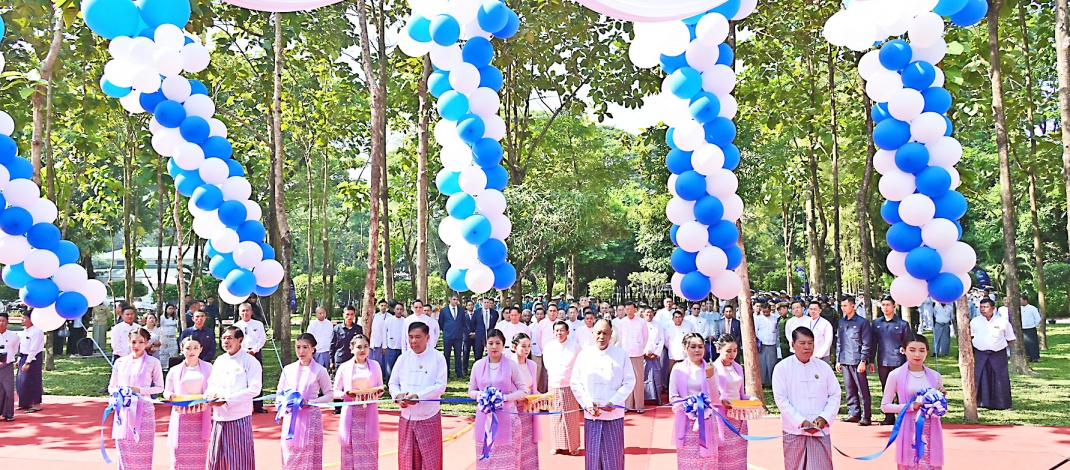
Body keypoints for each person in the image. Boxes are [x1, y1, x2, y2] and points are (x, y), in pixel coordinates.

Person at [570, 319, 636, 470]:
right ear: (592, 334)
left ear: (611, 334)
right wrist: (586, 403)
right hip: (591, 414)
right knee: (593, 457)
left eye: (605, 333)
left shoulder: (621, 354)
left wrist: (613, 402)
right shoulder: (584, 355)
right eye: (598, 333)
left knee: (613, 457)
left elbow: (629, 382)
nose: (601, 336)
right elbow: (575, 383)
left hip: (613, 415)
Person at [772, 327, 840, 470]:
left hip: (819, 431)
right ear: (793, 345)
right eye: (802, 343)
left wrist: (824, 418)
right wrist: (800, 422)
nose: (807, 347)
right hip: (793, 430)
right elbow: (781, 400)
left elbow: (834, 394)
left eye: (810, 343)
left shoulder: (824, 367)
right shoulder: (782, 368)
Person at [880, 333, 946, 470]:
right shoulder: (895, 375)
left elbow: (940, 408)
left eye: (922, 350)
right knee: (909, 464)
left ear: (927, 352)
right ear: (903, 351)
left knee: (931, 465)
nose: (917, 354)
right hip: (908, 429)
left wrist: (940, 401)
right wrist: (910, 406)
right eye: (912, 350)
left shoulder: (935, 376)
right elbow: (885, 406)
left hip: (931, 429)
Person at [391, 322, 448, 470]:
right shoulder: (403, 358)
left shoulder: (437, 358)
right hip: (407, 417)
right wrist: (398, 397)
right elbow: (393, 383)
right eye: (410, 337)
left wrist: (419, 396)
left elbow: (440, 386)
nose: (413, 341)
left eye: (417, 337)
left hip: (429, 416)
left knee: (431, 461)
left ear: (427, 337)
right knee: (406, 460)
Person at [467, 329, 528, 468]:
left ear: (503, 345)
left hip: (508, 418)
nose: (494, 347)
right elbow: (471, 390)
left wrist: (504, 398)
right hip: (484, 419)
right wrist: (481, 396)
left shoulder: (511, 365)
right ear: (485, 345)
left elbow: (523, 390)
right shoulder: (477, 366)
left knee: (508, 460)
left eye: (498, 343)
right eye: (490, 343)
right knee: (486, 460)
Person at [204, 326, 263, 469]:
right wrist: (210, 395)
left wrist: (228, 399)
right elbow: (211, 384)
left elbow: (255, 389)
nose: (226, 341)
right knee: (217, 458)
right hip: (219, 417)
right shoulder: (219, 360)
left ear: (240, 340)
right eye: (223, 338)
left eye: (229, 338)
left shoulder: (250, 361)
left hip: (239, 417)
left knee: (239, 459)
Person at [108, 328, 165, 468]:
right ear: (128, 342)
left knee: (142, 449)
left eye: (141, 342)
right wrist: (120, 392)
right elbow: (111, 387)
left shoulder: (153, 362)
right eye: (133, 342)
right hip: (123, 410)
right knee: (124, 447)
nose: (137, 346)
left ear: (147, 343)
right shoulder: (120, 362)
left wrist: (139, 391)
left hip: (144, 410)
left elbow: (160, 388)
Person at [276, 333, 334, 469]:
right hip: (291, 419)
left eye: (305, 347)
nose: (301, 351)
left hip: (311, 420)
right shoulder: (288, 369)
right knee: (289, 455)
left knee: (308, 456)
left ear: (313, 348)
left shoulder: (320, 371)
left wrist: (311, 402)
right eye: (298, 347)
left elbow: (330, 395)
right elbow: (279, 393)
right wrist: (284, 403)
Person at [669, 333, 722, 469]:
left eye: (700, 347)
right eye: (693, 347)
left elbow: (716, 399)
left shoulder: (711, 368)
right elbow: (673, 397)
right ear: (685, 348)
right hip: (686, 423)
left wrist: (710, 378)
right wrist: (689, 406)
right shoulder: (678, 369)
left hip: (707, 420)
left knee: (708, 461)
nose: (697, 350)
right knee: (689, 462)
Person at [334, 334, 385, 470]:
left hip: (369, 413)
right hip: (351, 414)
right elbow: (335, 392)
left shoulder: (375, 366)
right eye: (359, 347)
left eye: (365, 347)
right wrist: (346, 394)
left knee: (369, 450)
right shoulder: (344, 367)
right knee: (349, 450)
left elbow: (381, 387)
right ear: (351, 349)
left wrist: (377, 392)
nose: (362, 350)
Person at [163, 336, 214, 470]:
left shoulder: (209, 368)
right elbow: (166, 391)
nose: (192, 351)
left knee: (200, 454)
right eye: (188, 348)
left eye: (196, 348)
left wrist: (208, 396)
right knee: (179, 454)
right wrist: (171, 396)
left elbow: (213, 387)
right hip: (182, 416)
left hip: (201, 415)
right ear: (182, 349)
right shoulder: (175, 370)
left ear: (201, 349)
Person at [713, 334, 755, 470]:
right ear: (718, 349)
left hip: (738, 416)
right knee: (724, 452)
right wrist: (721, 401)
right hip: (722, 416)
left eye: (735, 350)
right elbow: (710, 395)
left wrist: (751, 399)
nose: (732, 354)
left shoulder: (738, 368)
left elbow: (741, 394)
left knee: (739, 454)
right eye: (728, 351)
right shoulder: (712, 369)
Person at [543, 320, 582, 455]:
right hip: (554, 384)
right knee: (555, 417)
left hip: (570, 385)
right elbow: (547, 364)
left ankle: (573, 446)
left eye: (562, 330)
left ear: (568, 332)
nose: (559, 333)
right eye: (557, 330)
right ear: (553, 332)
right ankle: (556, 445)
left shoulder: (575, 347)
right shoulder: (549, 347)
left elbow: (579, 366)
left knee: (571, 416)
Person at [971, 298, 1015, 410]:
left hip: (998, 353)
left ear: (993, 308)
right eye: (981, 307)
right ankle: (981, 402)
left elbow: (1010, 338)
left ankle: (1002, 403)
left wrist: (998, 345)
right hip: (980, 353)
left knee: (1000, 377)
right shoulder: (975, 321)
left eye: (985, 307)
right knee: (980, 376)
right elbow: (970, 337)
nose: (983, 309)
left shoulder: (1002, 321)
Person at [873, 296, 911, 425]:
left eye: (888, 305)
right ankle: (889, 417)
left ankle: (903, 416)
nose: (885, 307)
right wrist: (871, 360)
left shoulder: (902, 324)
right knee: (886, 389)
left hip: (898, 361)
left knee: (901, 390)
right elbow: (873, 343)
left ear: (894, 306)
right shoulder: (877, 323)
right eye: (883, 305)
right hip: (883, 360)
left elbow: (909, 343)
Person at [836, 295, 873, 426]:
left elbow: (867, 343)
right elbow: (839, 342)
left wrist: (864, 360)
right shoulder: (841, 322)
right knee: (849, 388)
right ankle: (854, 413)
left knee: (862, 389)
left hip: (857, 360)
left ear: (853, 305)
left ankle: (866, 415)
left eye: (845, 305)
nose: (843, 308)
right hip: (845, 359)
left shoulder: (862, 322)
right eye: (841, 306)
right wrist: (838, 359)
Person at [511, 332, 541, 469]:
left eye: (529, 346)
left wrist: (541, 397)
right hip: (513, 410)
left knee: (529, 444)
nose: (527, 350)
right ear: (514, 347)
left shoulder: (532, 365)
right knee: (515, 444)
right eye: (523, 346)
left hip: (529, 411)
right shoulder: (509, 365)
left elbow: (533, 388)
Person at [233, 302, 268, 414]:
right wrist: (243, 351)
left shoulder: (258, 324)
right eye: (242, 311)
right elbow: (235, 341)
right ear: (239, 313)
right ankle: (242, 405)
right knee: (241, 378)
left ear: (251, 312)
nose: (245, 313)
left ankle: (258, 406)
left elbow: (262, 339)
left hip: (255, 353)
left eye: (247, 310)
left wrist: (254, 350)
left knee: (256, 378)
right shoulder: (236, 326)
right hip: (241, 354)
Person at [616, 301, 648, 413]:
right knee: (626, 380)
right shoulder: (622, 322)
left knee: (639, 380)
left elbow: (645, 337)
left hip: (638, 353)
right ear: (625, 310)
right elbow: (620, 337)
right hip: (626, 354)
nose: (629, 311)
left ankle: (640, 406)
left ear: (635, 309)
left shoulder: (641, 322)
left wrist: (640, 347)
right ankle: (628, 405)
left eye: (631, 309)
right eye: (627, 309)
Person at [16, 313, 44, 413]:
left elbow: (34, 349)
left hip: (33, 358)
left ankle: (36, 404)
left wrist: (28, 362)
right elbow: (22, 346)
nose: (22, 320)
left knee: (33, 380)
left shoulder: (37, 332)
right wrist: (19, 359)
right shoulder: (25, 331)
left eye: (24, 318)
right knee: (21, 381)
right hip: (24, 356)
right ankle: (25, 402)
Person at [439, 295, 468, 378]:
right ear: (450, 299)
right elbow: (441, 322)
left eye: (457, 299)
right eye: (454, 299)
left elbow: (463, 323)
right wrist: (446, 331)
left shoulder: (461, 310)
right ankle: (446, 372)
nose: (456, 301)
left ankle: (459, 372)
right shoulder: (444, 310)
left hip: (458, 336)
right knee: (446, 355)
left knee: (458, 355)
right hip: (448, 336)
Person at [642, 306, 666, 405]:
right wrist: (644, 352)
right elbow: (638, 340)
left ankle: (658, 399)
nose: (649, 314)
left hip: (655, 355)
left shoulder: (658, 325)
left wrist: (656, 353)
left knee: (656, 377)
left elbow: (662, 340)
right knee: (644, 377)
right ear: (643, 314)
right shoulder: (641, 325)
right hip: (643, 355)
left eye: (651, 312)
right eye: (647, 312)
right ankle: (643, 399)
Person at [753, 302, 779, 386]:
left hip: (772, 343)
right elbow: (755, 331)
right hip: (762, 343)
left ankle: (772, 381)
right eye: (764, 312)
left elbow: (776, 331)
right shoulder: (758, 319)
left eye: (767, 312)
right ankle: (762, 381)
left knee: (772, 363)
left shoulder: (775, 318)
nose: (765, 313)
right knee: (762, 363)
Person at [382, 302, 406, 383]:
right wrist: (384, 346)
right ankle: (389, 383)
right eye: (397, 309)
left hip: (402, 348)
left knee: (401, 367)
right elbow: (384, 333)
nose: (399, 311)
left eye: (400, 309)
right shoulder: (388, 320)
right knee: (390, 367)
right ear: (394, 310)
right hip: (391, 347)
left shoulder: (405, 321)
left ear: (403, 311)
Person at [0, 312, 18, 421]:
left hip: (7, 366)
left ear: (7, 322)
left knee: (8, 390)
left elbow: (15, 350)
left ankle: (9, 414)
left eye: (3, 321)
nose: (1, 323)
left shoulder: (13, 336)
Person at [1020, 295, 1042, 362]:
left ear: (1025, 300)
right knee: (1025, 343)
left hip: (1030, 328)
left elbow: (1038, 318)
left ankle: (1035, 357)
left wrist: (1033, 325)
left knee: (1033, 343)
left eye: (1021, 300)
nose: (1020, 302)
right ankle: (1028, 356)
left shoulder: (1032, 308)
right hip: (1022, 328)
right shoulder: (1019, 308)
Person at [159, 304, 180, 370]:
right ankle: (164, 367)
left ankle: (173, 366)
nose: (171, 310)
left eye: (172, 309)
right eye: (169, 308)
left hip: (172, 337)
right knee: (164, 352)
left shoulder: (174, 318)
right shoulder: (162, 317)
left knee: (173, 351)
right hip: (164, 337)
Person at [369, 300, 390, 365]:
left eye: (385, 306)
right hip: (370, 343)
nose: (383, 307)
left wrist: (384, 345)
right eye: (382, 306)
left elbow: (384, 332)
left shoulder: (386, 317)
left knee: (377, 362)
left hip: (379, 343)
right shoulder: (370, 317)